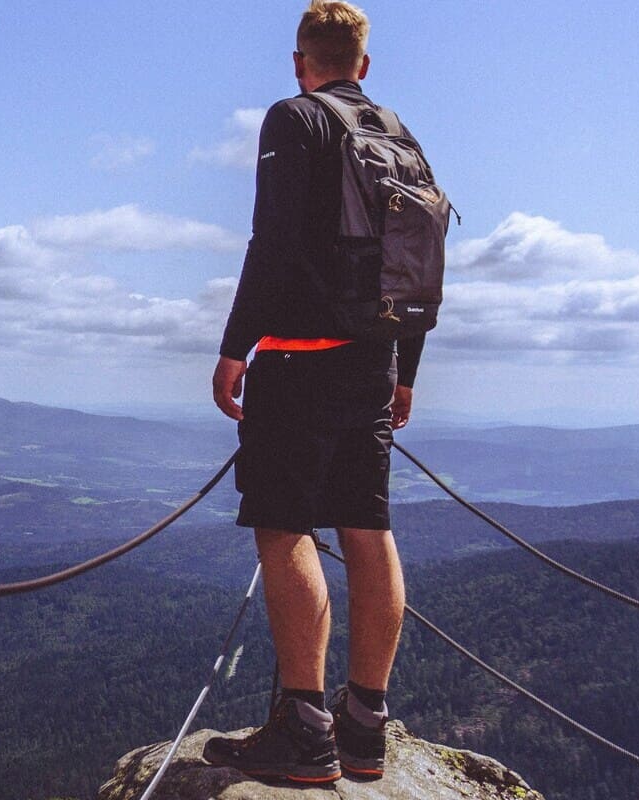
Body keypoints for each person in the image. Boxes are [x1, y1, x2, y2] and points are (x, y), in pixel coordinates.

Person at [203, 0, 425, 784]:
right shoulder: (400, 136)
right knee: (369, 528)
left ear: (301, 60)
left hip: (299, 360)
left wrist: (236, 348)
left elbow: (273, 239)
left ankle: (305, 732)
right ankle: (366, 726)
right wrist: (405, 370)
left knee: (283, 524)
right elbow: (416, 260)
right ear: (363, 65)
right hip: (374, 361)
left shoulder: (294, 120)